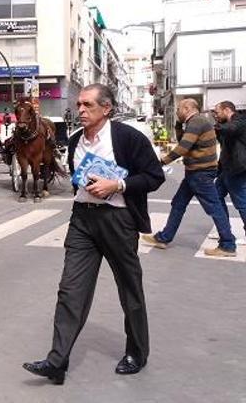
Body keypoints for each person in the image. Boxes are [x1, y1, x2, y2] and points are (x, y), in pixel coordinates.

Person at [23, 84, 164, 385]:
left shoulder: (128, 138)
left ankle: (137, 353)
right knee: (70, 289)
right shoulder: (75, 141)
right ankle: (57, 361)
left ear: (107, 108)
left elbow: (154, 176)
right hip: (83, 222)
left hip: (118, 220)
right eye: (79, 105)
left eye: (87, 105)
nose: (81, 110)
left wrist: (118, 186)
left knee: (129, 289)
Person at [141, 98, 237, 257]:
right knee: (178, 204)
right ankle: (164, 237)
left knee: (214, 208)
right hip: (194, 172)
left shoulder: (197, 122)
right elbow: (184, 141)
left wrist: (161, 162)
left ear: (187, 108)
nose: (177, 111)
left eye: (179, 108)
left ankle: (228, 245)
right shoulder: (195, 122)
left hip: (200, 173)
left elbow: (183, 147)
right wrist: (178, 125)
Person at [213, 101, 246, 244]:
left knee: (241, 203)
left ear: (227, 110)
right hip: (226, 170)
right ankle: (225, 230)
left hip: (237, 169)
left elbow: (231, 130)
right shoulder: (227, 125)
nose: (215, 115)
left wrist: (214, 126)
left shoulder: (240, 121)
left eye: (217, 112)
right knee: (216, 198)